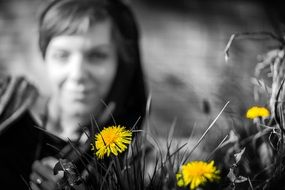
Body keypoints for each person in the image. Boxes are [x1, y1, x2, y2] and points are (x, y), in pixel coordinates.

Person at [0, 0, 147, 189]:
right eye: (62, 55)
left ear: (122, 64)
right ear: (45, 57)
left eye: (97, 56)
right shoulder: (7, 104)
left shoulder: (133, 159)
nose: (77, 74)